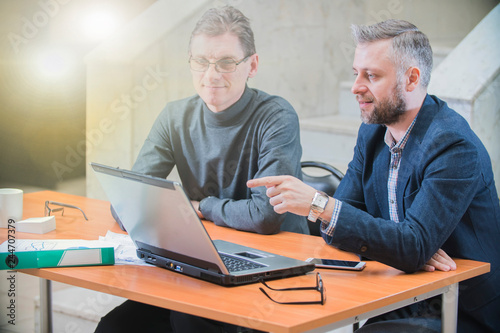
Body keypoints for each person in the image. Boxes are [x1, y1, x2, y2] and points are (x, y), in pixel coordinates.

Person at [248, 19, 500, 333]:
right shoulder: (371, 134)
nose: (356, 87)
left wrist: (319, 205)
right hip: (403, 292)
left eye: (372, 75)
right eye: (356, 73)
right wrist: (405, 247)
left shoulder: (451, 145)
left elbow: (396, 239)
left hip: (461, 309)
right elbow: (338, 230)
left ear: (411, 79)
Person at [96, 5, 304, 333]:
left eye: (226, 62)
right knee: (115, 328)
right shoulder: (175, 117)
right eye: (201, 62)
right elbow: (128, 202)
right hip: (203, 262)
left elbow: (265, 216)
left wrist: (199, 209)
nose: (211, 75)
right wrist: (170, 214)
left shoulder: (276, 117)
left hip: (268, 269)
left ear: (253, 65)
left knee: (190, 321)